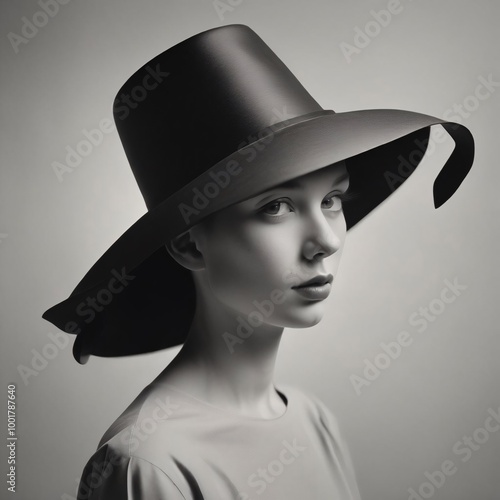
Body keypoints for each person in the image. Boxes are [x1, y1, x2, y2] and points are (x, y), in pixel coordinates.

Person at [42, 24, 474, 499]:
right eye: (276, 207)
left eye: (333, 199)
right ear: (189, 245)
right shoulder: (147, 465)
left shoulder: (315, 421)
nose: (326, 240)